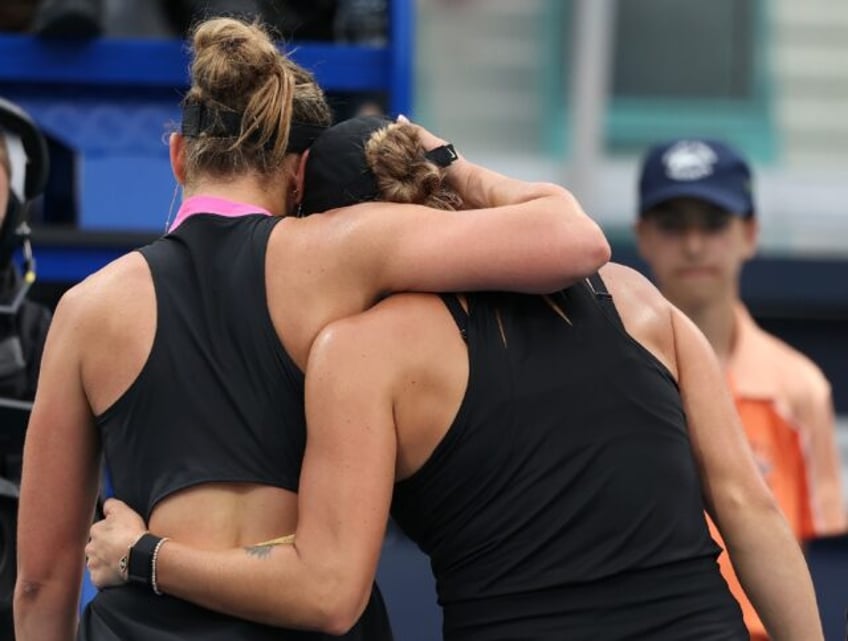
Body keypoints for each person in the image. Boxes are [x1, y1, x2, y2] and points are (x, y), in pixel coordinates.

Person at [84, 117, 823, 640]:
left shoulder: (365, 354)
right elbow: (748, 510)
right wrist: (458, 167)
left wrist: (145, 557)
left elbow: (324, 591)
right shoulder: (636, 299)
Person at [13, 15, 611, 641]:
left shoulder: (86, 309)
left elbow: (40, 581)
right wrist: (448, 161)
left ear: (178, 156)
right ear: (300, 174)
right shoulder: (343, 251)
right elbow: (574, 239)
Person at [632, 137, 845, 640]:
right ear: (642, 235)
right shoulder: (605, 375)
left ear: (749, 233)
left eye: (713, 223)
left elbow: (797, 551)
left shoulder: (799, 387)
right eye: (672, 224)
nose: (693, 244)